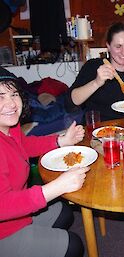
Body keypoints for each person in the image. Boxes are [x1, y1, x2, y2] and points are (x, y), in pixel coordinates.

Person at [0, 67, 90, 257]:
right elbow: (3, 205)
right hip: (4, 233)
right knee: (74, 246)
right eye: (0, 96)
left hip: (21, 216)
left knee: (64, 212)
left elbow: (25, 145)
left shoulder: (10, 127)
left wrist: (60, 141)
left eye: (13, 94)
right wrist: (56, 187)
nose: (11, 103)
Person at [65, 22, 124, 121]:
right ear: (108, 46)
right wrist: (96, 82)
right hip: (96, 129)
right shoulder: (93, 66)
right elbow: (70, 103)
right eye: (118, 46)